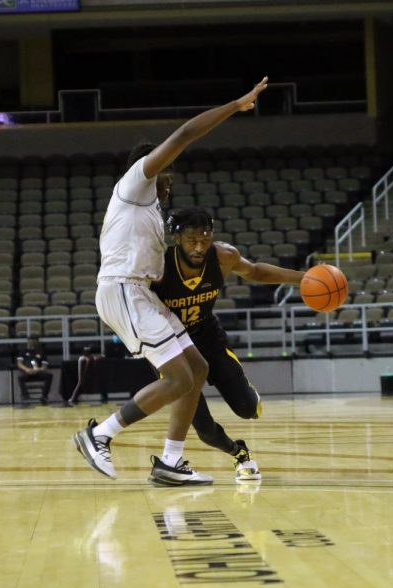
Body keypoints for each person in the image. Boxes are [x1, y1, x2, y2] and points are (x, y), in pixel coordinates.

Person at [72, 76, 269, 487]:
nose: (169, 181)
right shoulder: (134, 183)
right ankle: (99, 434)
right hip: (123, 288)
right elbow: (183, 134)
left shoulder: (152, 215)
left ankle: (170, 461)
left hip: (140, 293)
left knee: (196, 367)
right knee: (178, 378)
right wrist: (235, 105)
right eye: (167, 172)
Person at [151, 207, 307, 481]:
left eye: (205, 239)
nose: (199, 247)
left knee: (248, 409)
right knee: (204, 429)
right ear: (177, 239)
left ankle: (244, 391)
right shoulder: (159, 267)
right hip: (172, 349)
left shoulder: (223, 256)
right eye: (192, 241)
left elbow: (256, 272)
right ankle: (239, 452)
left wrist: (304, 278)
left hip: (208, 337)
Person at [15, 334, 53, 404]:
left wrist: (37, 369)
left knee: (49, 376)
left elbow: (44, 367)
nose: (31, 342)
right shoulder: (23, 351)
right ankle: (25, 396)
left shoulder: (41, 352)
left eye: (33, 340)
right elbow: (19, 363)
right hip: (27, 372)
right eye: (30, 340)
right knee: (20, 378)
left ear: (37, 341)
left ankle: (44, 396)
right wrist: (27, 370)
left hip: (38, 372)